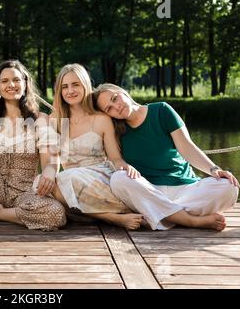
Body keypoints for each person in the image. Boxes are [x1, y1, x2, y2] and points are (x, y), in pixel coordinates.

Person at [93, 83, 239, 231]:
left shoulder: (161, 110)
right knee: (118, 179)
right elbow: (116, 161)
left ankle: (161, 216)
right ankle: (190, 220)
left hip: (186, 188)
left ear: (122, 93)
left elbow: (187, 147)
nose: (116, 107)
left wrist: (214, 169)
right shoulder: (115, 132)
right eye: (109, 108)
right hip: (150, 190)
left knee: (229, 186)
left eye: (115, 98)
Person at [0, 60, 66, 230]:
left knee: (56, 213)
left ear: (25, 84)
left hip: (24, 191)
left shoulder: (39, 120)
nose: (11, 85)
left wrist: (50, 171)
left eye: (16, 80)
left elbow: (49, 159)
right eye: (5, 81)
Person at [49, 64, 143, 230]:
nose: (70, 91)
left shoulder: (101, 119)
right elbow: (53, 160)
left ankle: (98, 215)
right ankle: (111, 218)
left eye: (75, 84)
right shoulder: (55, 120)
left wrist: (125, 167)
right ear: (59, 91)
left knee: (65, 179)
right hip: (71, 180)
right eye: (65, 87)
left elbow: (115, 158)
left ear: (85, 84)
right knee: (50, 183)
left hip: (99, 177)